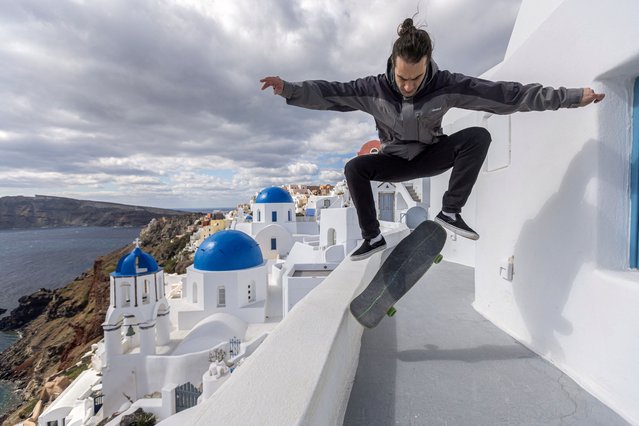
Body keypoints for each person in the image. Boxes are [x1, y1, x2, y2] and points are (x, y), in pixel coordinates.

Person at [260, 18, 604, 261]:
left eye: (416, 77)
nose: (408, 86)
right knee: (354, 168)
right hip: (393, 160)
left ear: (428, 65)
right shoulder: (372, 89)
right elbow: (330, 93)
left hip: (430, 155)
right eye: (402, 77)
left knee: (478, 136)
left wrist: (572, 97)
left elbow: (508, 96)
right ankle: (372, 237)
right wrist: (289, 89)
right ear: (392, 66)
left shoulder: (447, 85)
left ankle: (451, 211)